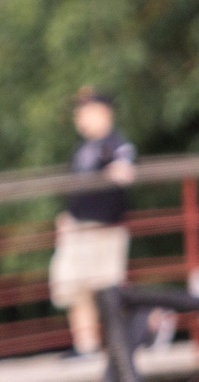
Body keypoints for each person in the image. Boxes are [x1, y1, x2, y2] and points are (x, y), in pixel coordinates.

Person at [50, 87, 137, 355]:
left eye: (84, 111)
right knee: (74, 287)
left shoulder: (115, 143)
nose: (79, 117)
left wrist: (121, 170)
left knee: (106, 290)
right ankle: (85, 347)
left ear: (102, 112)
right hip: (78, 228)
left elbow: (125, 168)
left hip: (103, 229)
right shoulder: (83, 149)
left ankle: (122, 344)